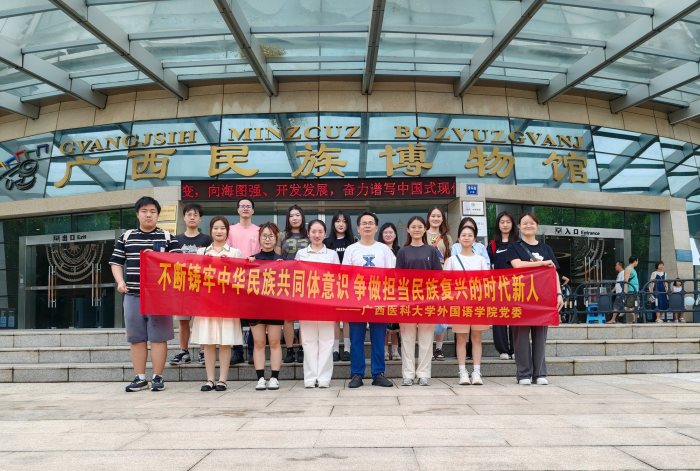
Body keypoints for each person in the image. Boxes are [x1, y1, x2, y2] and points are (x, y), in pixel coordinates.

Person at [109, 196, 181, 392]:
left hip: (159, 297)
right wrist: (120, 282)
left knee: (159, 338)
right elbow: (116, 262)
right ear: (137, 214)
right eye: (144, 211)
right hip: (133, 295)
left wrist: (158, 257)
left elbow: (179, 264)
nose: (148, 215)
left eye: (152, 211)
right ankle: (140, 378)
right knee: (136, 338)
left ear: (158, 215)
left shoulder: (168, 237)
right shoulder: (126, 237)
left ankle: (158, 377)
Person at [506, 212, 564, 386]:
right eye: (524, 223)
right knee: (521, 337)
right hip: (520, 298)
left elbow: (554, 272)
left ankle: (539, 373)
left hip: (542, 298)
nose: (528, 226)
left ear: (537, 226)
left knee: (540, 337)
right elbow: (518, 265)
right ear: (519, 227)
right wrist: (542, 263)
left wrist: (559, 294)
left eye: (532, 223)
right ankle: (524, 374)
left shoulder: (546, 249)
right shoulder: (513, 247)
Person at [343, 211, 395, 388]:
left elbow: (390, 275)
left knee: (378, 339)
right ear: (358, 228)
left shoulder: (384, 249)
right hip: (357, 299)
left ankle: (378, 373)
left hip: (378, 298)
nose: (367, 226)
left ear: (376, 228)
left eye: (370, 223)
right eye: (364, 223)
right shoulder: (351, 249)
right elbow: (345, 276)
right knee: (356, 339)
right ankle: (357, 374)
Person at [194, 216, 243, 392]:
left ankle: (222, 379)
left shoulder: (235, 253)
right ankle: (210, 379)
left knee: (225, 341)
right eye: (216, 228)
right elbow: (195, 277)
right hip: (206, 302)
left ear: (227, 231)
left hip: (227, 303)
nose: (219, 231)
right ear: (211, 230)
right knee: (208, 342)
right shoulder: (201, 252)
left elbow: (240, 278)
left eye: (222, 228)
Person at [396, 216, 442, 386]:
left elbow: (438, 276)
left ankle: (424, 374)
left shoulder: (432, 251)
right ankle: (408, 374)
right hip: (407, 301)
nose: (416, 229)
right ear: (408, 230)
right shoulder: (402, 252)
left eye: (420, 226)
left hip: (427, 301)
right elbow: (398, 278)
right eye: (413, 227)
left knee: (426, 339)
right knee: (407, 339)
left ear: (425, 229)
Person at [296, 220, 340, 388]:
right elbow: (295, 277)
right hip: (306, 303)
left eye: (320, 231)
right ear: (308, 233)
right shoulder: (301, 254)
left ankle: (323, 378)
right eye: (313, 231)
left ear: (325, 234)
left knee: (327, 341)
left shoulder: (332, 255)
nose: (317, 235)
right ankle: (310, 377)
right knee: (308, 341)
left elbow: (338, 278)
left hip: (326, 302)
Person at [444, 223, 489, 385]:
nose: (466, 238)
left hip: (478, 303)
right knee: (461, 338)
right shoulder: (452, 260)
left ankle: (476, 372)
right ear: (458, 238)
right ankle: (462, 372)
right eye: (463, 235)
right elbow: (446, 282)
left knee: (476, 338)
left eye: (470, 235)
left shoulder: (481, 260)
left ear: (475, 239)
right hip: (459, 303)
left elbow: (486, 282)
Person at [170, 203, 211, 366]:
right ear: (184, 217)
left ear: (200, 219)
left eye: (195, 215)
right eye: (189, 214)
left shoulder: (207, 239)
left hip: (201, 286)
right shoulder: (175, 239)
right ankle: (184, 351)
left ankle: (203, 351)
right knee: (183, 321)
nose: (192, 217)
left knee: (201, 320)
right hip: (182, 286)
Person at [247, 222, 284, 390]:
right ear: (259, 239)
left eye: (271, 236)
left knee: (275, 342)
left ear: (276, 239)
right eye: (264, 236)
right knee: (259, 342)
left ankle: (274, 378)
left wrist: (286, 266)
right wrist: (247, 264)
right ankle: (260, 378)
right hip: (255, 307)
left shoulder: (281, 261)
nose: (267, 239)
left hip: (275, 307)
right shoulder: (251, 260)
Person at [227, 197, 261, 366]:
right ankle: (237, 351)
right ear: (238, 210)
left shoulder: (259, 231)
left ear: (253, 210)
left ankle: (253, 351)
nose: (245, 208)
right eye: (242, 206)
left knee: (253, 316)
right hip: (235, 277)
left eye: (248, 206)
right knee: (235, 317)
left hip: (254, 278)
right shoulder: (230, 230)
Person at [277, 205, 310, 364]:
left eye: (297, 215)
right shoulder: (281, 235)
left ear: (302, 217)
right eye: (291, 215)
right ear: (288, 218)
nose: (295, 218)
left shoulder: (309, 234)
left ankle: (302, 348)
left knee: (304, 317)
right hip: (286, 280)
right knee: (288, 317)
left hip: (306, 280)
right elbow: (277, 259)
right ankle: (289, 349)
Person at [324, 210, 356, 362]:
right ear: (333, 223)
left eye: (344, 221)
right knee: (335, 318)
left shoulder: (353, 242)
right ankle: (335, 349)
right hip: (331, 284)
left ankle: (347, 349)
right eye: (338, 221)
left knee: (347, 318)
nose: (341, 224)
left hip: (349, 285)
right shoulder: (327, 242)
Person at [487, 211, 518, 360]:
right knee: (499, 319)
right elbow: (487, 266)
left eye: (508, 222)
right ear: (498, 225)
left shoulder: (519, 243)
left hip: (517, 286)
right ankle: (503, 350)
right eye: (502, 222)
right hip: (498, 288)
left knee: (515, 318)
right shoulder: (493, 244)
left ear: (513, 224)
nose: (505, 225)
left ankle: (516, 349)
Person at [426, 207, 452, 361]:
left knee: (441, 312)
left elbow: (449, 256)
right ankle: (428, 347)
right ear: (428, 218)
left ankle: (439, 348)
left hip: (442, 278)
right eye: (433, 216)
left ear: (442, 219)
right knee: (428, 312)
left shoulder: (447, 238)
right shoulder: (423, 234)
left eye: (438, 216)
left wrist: (444, 272)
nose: (435, 219)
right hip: (425, 279)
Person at [379, 222, 400, 361]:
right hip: (381, 290)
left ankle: (395, 351)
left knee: (396, 323)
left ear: (395, 235)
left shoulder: (400, 251)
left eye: (391, 232)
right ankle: (385, 351)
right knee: (384, 322)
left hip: (397, 291)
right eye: (385, 232)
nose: (388, 235)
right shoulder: (378, 250)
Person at [609, 256, 639, 324]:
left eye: (616, 265)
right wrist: (625, 289)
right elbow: (625, 280)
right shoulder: (628, 270)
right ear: (635, 261)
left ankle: (635, 318)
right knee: (628, 305)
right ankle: (618, 318)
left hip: (633, 290)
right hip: (630, 290)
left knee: (632, 305)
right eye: (637, 261)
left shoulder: (630, 270)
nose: (615, 267)